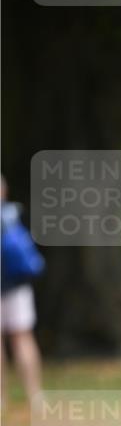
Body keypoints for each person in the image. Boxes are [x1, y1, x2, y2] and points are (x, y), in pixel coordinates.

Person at [1, 175, 44, 410]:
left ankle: (1, 398)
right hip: (18, 284)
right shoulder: (15, 213)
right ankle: (35, 395)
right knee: (23, 337)